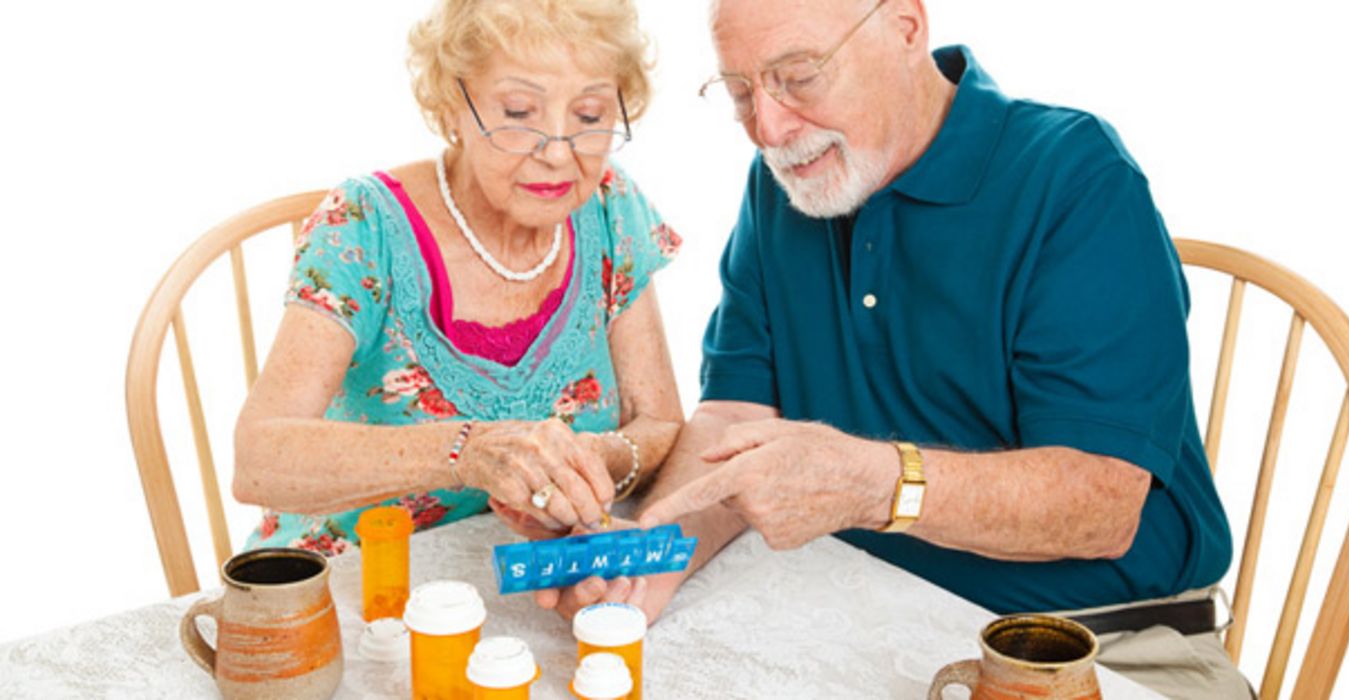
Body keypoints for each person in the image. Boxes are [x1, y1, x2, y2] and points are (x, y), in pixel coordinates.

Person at [625, 0, 1252, 697]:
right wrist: (647, 554)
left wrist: (870, 484)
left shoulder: (1072, 176)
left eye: (798, 76)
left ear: (904, 27)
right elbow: (734, 419)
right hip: (868, 608)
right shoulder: (784, 183)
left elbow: (1100, 506)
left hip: (1099, 644)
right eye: (740, 93)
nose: (768, 129)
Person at [232, 0, 683, 559]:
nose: (559, 155)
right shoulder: (362, 226)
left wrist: (587, 460)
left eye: (590, 116)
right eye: (520, 112)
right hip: (359, 588)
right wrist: (467, 452)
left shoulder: (612, 208)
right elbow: (259, 461)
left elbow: (660, 421)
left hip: (516, 582)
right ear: (451, 105)